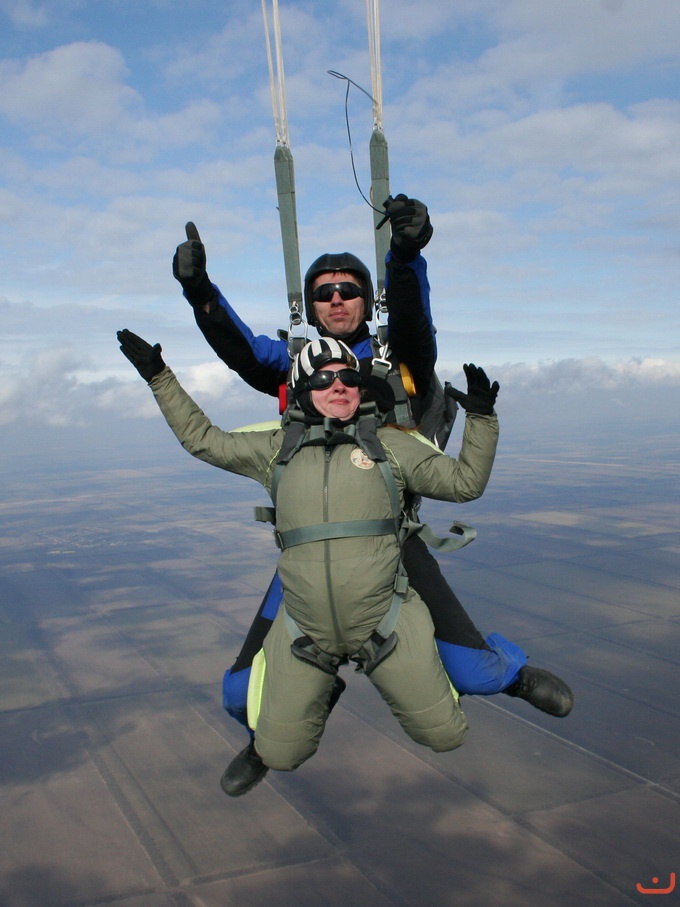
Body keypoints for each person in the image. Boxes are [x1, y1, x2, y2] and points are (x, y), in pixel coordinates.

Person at [172, 195, 574, 794]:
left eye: (349, 290)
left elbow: (413, 326)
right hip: (313, 548)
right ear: (310, 306)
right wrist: (201, 293)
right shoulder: (299, 365)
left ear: (366, 299)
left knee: (471, 671)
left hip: (391, 537)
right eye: (324, 293)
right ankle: (267, 732)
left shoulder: (397, 358)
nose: (337, 300)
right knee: (238, 691)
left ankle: (512, 676)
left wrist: (405, 257)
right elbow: (244, 352)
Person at [117, 331, 501, 781]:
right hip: (303, 630)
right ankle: (311, 700)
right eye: (322, 379)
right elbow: (203, 440)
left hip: (387, 620)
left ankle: (502, 673)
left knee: (447, 735)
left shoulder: (391, 445)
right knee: (279, 755)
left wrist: (481, 417)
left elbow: (464, 484)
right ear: (303, 389)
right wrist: (159, 377)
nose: (338, 386)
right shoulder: (276, 449)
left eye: (347, 378)